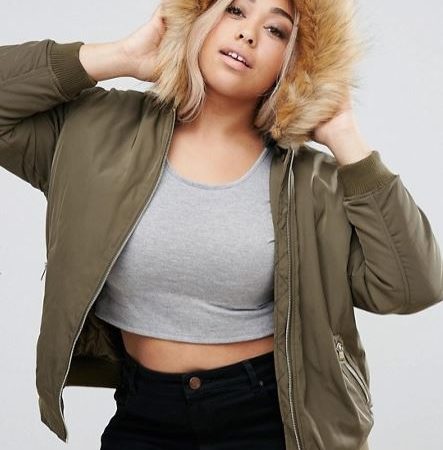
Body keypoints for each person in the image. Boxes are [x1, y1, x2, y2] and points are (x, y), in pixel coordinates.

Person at [0, 0, 441, 449]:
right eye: (235, 10)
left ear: (297, 60)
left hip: (269, 417)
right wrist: (120, 56)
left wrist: (345, 135)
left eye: (276, 30)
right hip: (144, 411)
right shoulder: (97, 131)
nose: (248, 33)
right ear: (198, 19)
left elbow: (413, 286)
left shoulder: (311, 182)